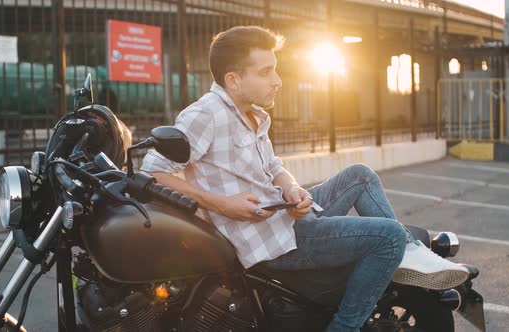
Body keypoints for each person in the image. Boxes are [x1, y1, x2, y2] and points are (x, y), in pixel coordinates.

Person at [142, 25, 468, 332]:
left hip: (286, 216)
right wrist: (224, 205)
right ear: (234, 79)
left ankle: (411, 254)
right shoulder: (205, 114)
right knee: (389, 237)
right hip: (272, 243)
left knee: (361, 176)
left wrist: (293, 189)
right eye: (266, 71)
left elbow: (274, 168)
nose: (278, 80)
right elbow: (153, 172)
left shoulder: (253, 113)